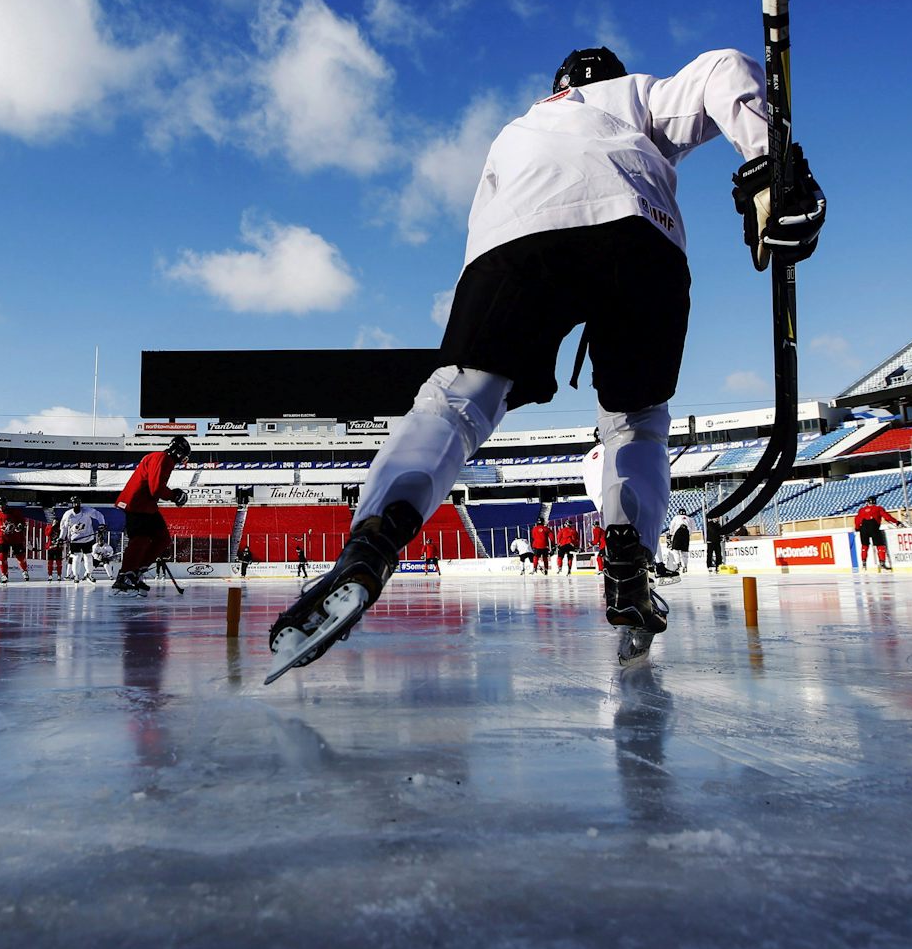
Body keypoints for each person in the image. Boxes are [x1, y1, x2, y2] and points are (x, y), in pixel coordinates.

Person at [266, 45, 824, 678]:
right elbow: (726, 68)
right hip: (641, 232)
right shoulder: (633, 95)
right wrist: (767, 166)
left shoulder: (516, 128)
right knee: (636, 419)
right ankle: (629, 567)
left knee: (458, 398)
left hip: (520, 238)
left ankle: (372, 541)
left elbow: (483, 230)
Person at [113, 436, 190, 591]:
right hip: (137, 504)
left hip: (146, 505)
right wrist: (174, 495)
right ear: (179, 452)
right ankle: (125, 575)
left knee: (162, 538)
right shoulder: (163, 458)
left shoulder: (160, 458)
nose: (183, 460)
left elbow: (155, 488)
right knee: (140, 539)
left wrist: (172, 494)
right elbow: (156, 488)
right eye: (183, 456)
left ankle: (137, 572)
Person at [58, 497, 106, 582]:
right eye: (74, 503)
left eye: (78, 503)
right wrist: (61, 538)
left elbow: (99, 515)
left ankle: (89, 574)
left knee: (88, 556)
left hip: (88, 538)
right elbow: (64, 527)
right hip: (75, 539)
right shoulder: (68, 514)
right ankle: (76, 575)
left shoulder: (87, 511)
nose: (76, 505)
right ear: (72, 504)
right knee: (77, 557)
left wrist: (102, 524)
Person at [852, 495, 900, 572]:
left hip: (863, 529)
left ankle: (864, 564)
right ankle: (882, 564)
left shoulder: (861, 510)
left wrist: (857, 528)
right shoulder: (878, 508)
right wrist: (896, 522)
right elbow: (887, 517)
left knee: (864, 546)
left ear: (867, 502)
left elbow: (857, 520)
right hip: (874, 527)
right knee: (880, 546)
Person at [0, 500, 31, 582]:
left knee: (20, 557)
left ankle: (24, 571)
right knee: (2, 557)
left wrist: (20, 526)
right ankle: (4, 574)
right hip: (2, 539)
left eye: (2, 504)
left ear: (6, 504)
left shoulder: (14, 512)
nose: (1, 506)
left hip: (16, 538)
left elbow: (22, 522)